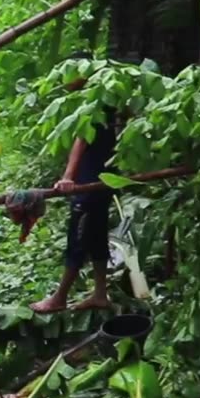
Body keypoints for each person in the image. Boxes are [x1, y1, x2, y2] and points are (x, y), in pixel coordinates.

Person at [30, 73, 118, 314]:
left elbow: (81, 141)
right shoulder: (108, 101)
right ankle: (100, 293)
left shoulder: (92, 105)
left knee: (78, 240)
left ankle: (59, 297)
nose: (65, 81)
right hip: (105, 180)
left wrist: (68, 176)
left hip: (89, 184)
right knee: (97, 235)